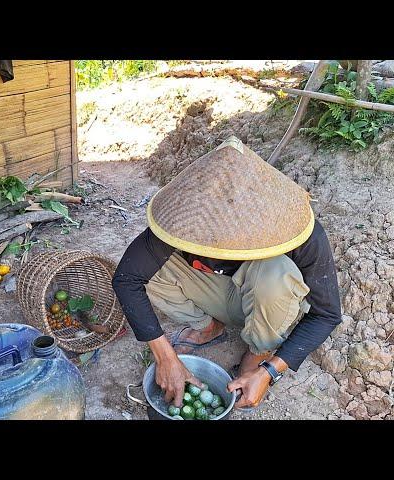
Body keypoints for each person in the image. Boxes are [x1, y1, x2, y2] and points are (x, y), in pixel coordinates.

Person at [112, 136, 342, 410]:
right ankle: (209, 327)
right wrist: (165, 357)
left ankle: (258, 350)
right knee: (154, 271)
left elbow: (326, 315)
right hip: (221, 293)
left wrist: (270, 370)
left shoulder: (295, 229)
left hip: (265, 303)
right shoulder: (183, 221)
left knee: (276, 273)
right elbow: (127, 278)